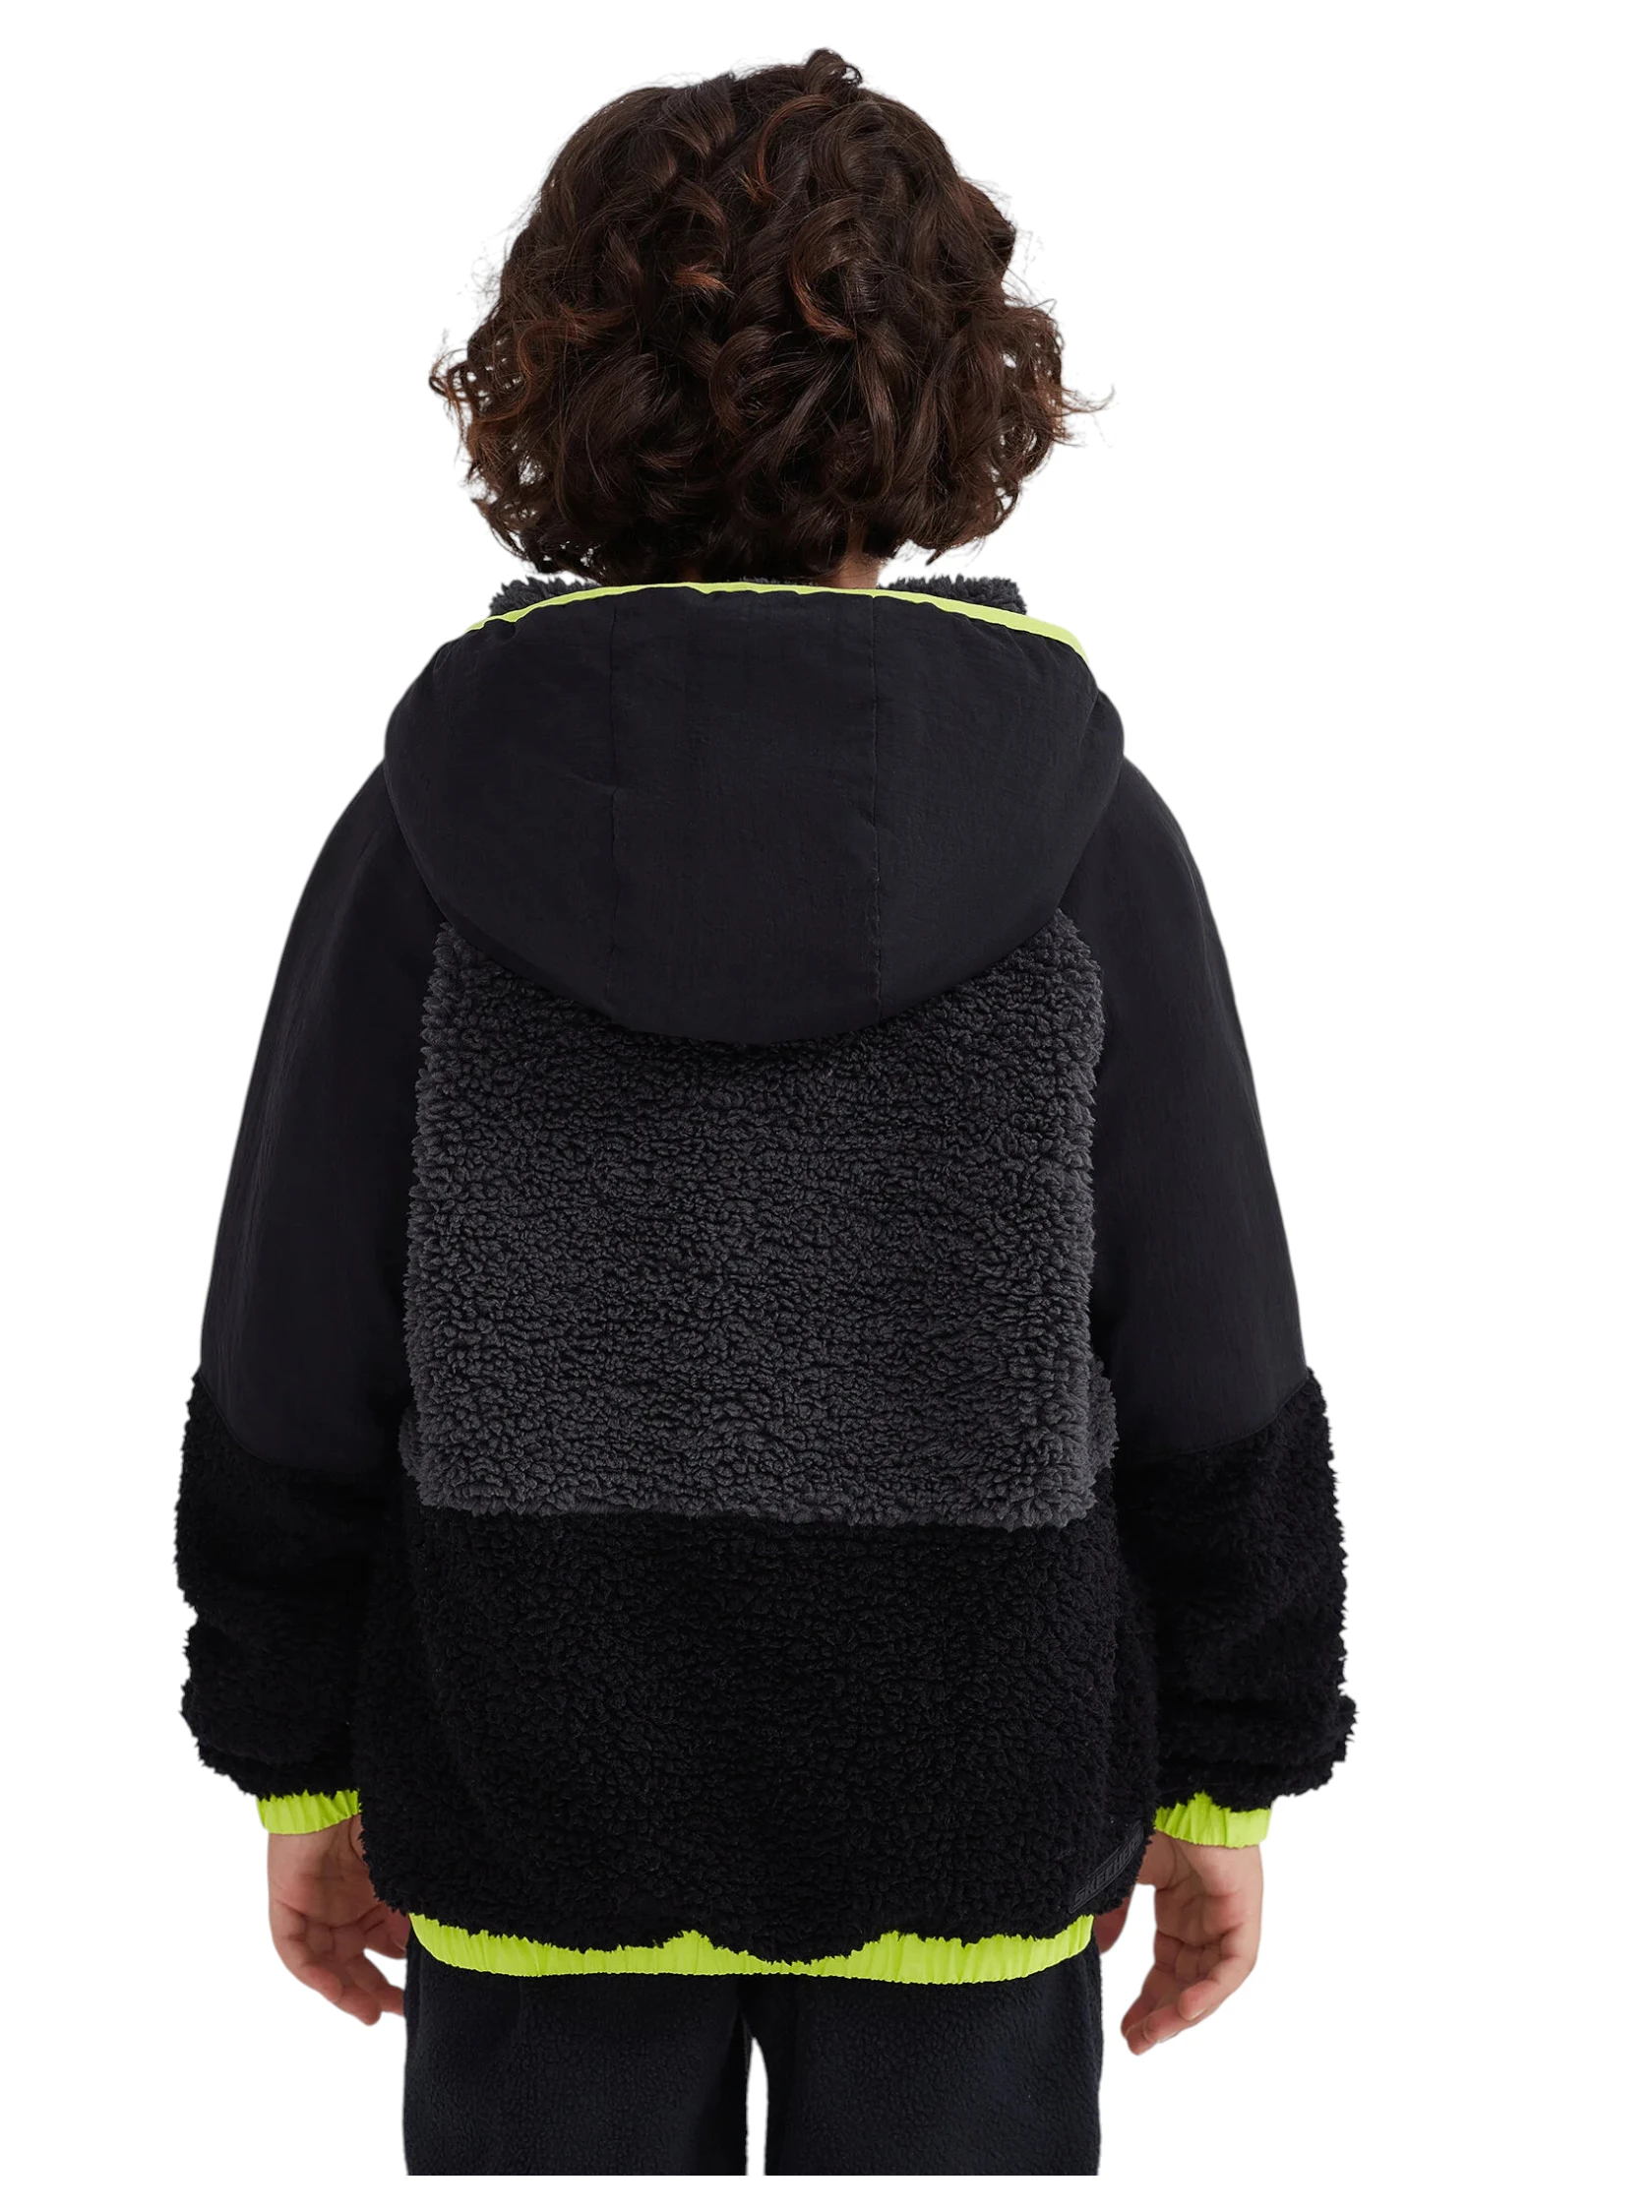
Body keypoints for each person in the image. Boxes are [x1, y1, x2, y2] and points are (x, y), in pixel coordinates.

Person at [175, 47, 1353, 2177]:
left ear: (550, 387)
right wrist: (1224, 1775)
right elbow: (1212, 1339)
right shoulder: (1082, 836)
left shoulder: (430, 833)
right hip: (971, 1796)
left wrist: (296, 1762)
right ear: (961, 393)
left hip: (530, 1791)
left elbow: (293, 1338)